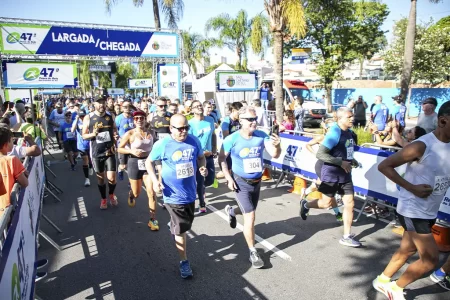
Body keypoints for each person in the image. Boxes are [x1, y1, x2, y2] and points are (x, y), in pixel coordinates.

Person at [373, 101, 450, 300]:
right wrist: (412, 187)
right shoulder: (421, 145)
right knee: (430, 259)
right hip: (412, 209)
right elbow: (385, 166)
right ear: (443, 121)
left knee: (407, 249)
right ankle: (395, 288)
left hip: (429, 210)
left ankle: (383, 280)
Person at [219, 106, 281, 269]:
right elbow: (221, 158)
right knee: (251, 216)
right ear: (241, 121)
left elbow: (274, 154)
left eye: (255, 119)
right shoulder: (232, 139)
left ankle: (232, 210)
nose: (254, 122)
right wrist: (227, 177)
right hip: (240, 182)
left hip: (257, 181)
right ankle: (253, 251)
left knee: (249, 210)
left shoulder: (261, 136)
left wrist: (278, 145)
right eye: (250, 119)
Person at [146, 114, 206, 279]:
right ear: (171, 128)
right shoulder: (163, 144)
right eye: (180, 128)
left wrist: (202, 168)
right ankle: (184, 261)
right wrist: (154, 180)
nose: (184, 131)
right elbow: (148, 162)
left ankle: (173, 226)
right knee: (182, 229)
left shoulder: (194, 141)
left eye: (186, 127)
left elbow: (201, 158)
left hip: (190, 192)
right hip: (171, 194)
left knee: (186, 224)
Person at [300, 107, 361, 247]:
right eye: (348, 117)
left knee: (350, 204)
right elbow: (320, 154)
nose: (352, 119)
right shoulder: (334, 132)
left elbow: (346, 152)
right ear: (339, 119)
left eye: (352, 116)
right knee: (326, 203)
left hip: (345, 175)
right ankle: (306, 204)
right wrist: (340, 162)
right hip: (331, 173)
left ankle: (346, 236)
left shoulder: (350, 133)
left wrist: (353, 161)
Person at [118, 111, 159, 230]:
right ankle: (131, 194)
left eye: (141, 118)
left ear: (145, 119)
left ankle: (153, 220)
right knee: (137, 193)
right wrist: (131, 151)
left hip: (148, 164)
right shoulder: (129, 133)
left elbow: (156, 146)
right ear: (134, 120)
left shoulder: (151, 133)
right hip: (134, 163)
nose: (139, 120)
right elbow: (119, 148)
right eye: (136, 118)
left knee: (151, 192)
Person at [82, 97, 119, 210]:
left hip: (110, 151)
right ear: (94, 104)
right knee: (101, 179)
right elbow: (84, 135)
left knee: (112, 178)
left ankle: (111, 194)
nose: (102, 105)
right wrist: (93, 134)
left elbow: (114, 130)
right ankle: (103, 199)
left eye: (103, 103)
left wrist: (115, 136)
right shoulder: (88, 117)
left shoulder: (111, 116)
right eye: (99, 103)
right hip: (97, 152)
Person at [304, 122, 343, 222]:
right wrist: (315, 153)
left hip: (332, 167)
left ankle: (305, 192)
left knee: (325, 189)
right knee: (329, 192)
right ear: (326, 129)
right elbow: (308, 144)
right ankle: (337, 213)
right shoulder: (322, 137)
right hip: (322, 166)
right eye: (330, 128)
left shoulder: (337, 139)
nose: (332, 130)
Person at [188, 100, 216, 213]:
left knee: (210, 179)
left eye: (200, 105)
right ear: (192, 110)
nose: (199, 107)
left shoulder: (210, 120)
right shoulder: (190, 124)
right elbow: (190, 141)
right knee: (200, 180)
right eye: (196, 106)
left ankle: (201, 189)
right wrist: (200, 153)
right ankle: (201, 204)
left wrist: (214, 148)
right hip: (198, 156)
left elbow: (213, 135)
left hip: (209, 155)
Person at [0, 127, 28, 217]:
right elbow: (24, 183)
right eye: (12, 141)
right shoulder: (12, 160)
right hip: (9, 208)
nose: (13, 143)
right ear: (5, 145)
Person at [72, 110, 93, 187]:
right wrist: (77, 120)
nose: (82, 117)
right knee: (85, 160)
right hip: (81, 145)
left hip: (90, 143)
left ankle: (91, 166)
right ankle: (87, 179)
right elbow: (72, 130)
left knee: (90, 159)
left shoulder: (89, 121)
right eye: (80, 116)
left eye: (83, 116)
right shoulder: (77, 122)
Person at [115, 100, 134, 181]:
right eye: (125, 107)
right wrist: (116, 136)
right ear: (122, 108)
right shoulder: (118, 118)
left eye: (129, 106)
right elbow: (115, 129)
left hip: (132, 144)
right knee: (123, 165)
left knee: (131, 165)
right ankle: (120, 169)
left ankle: (131, 181)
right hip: (122, 144)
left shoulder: (133, 117)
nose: (127, 109)